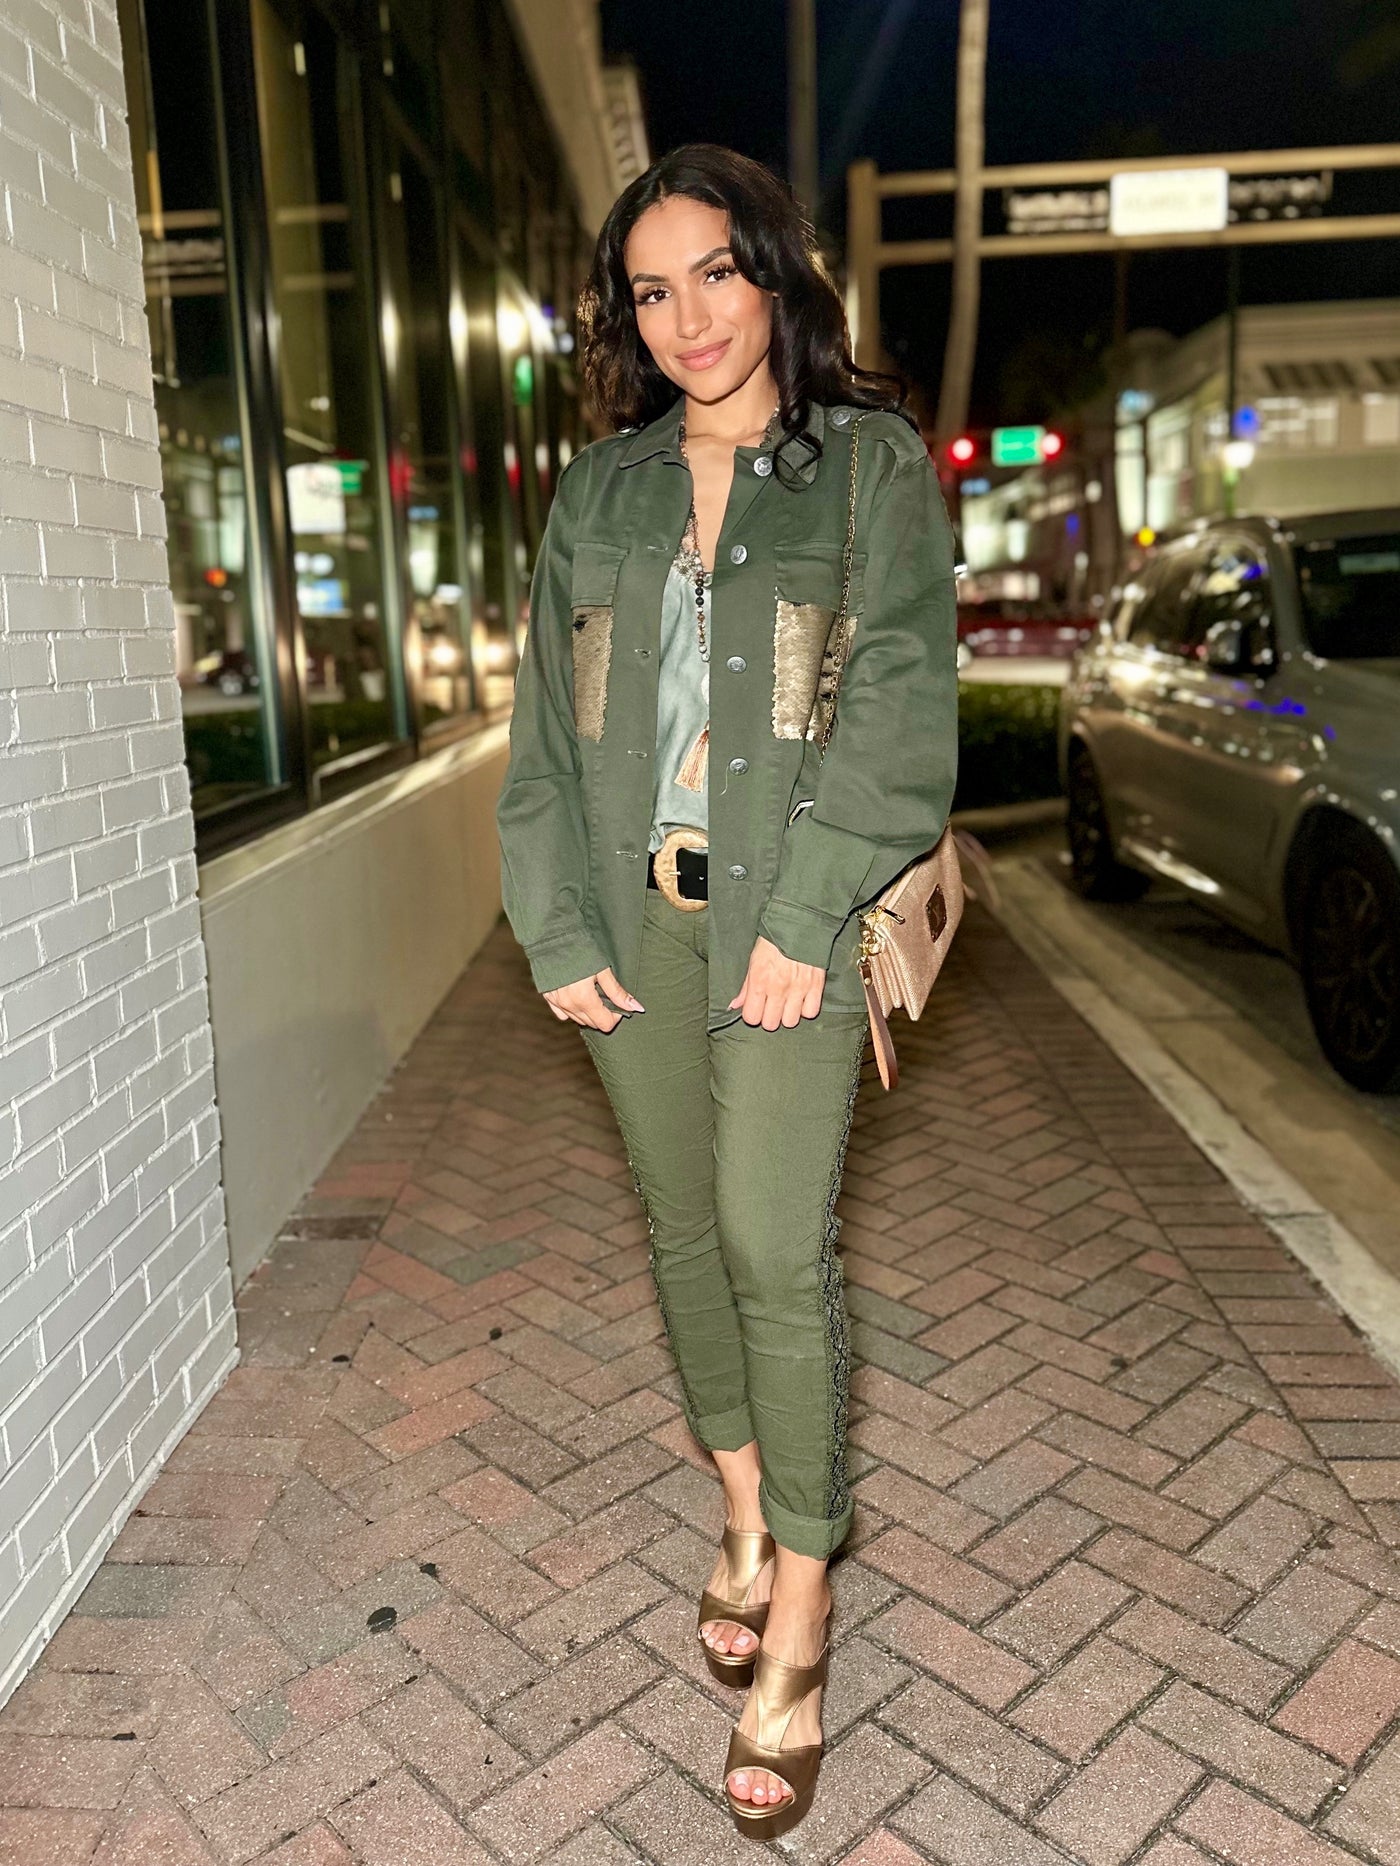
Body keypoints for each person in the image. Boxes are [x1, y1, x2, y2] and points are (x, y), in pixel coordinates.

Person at [495, 143, 957, 1840]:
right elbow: (545, 739)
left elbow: (901, 713)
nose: (688, 317)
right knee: (684, 1233)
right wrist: (554, 927)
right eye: (651, 289)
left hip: (792, 920)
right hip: (635, 925)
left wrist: (806, 915)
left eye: (716, 272)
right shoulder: (601, 492)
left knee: (773, 1246)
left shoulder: (866, 469)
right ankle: (747, 1509)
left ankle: (809, 1594)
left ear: (774, 273)